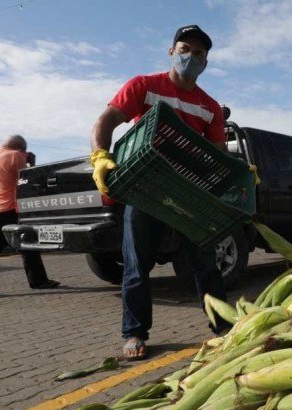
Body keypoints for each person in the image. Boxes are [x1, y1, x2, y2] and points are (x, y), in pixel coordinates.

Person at [90, 25, 228, 359]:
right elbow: (107, 120)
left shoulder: (209, 106)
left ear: (206, 61)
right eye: (185, 49)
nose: (190, 57)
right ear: (171, 51)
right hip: (145, 189)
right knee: (137, 265)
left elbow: (218, 153)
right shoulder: (144, 86)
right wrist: (100, 155)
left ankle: (223, 326)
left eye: (198, 54)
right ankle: (135, 333)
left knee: (205, 264)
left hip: (188, 193)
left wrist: (237, 172)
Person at [0, 135, 59, 298]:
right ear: (19, 148)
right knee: (27, 243)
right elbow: (27, 181)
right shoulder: (16, 156)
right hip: (12, 209)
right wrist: (31, 163)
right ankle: (38, 281)